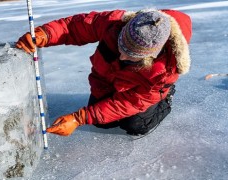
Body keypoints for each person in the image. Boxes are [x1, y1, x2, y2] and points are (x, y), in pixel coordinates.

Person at [16, 9, 192, 136]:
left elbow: (131, 102)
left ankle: (166, 99)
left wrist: (79, 118)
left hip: (139, 95)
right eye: (120, 46)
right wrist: (44, 34)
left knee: (135, 125)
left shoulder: (165, 71)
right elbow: (75, 27)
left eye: (131, 56)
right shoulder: (114, 23)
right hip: (109, 81)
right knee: (103, 124)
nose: (122, 56)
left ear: (151, 56)